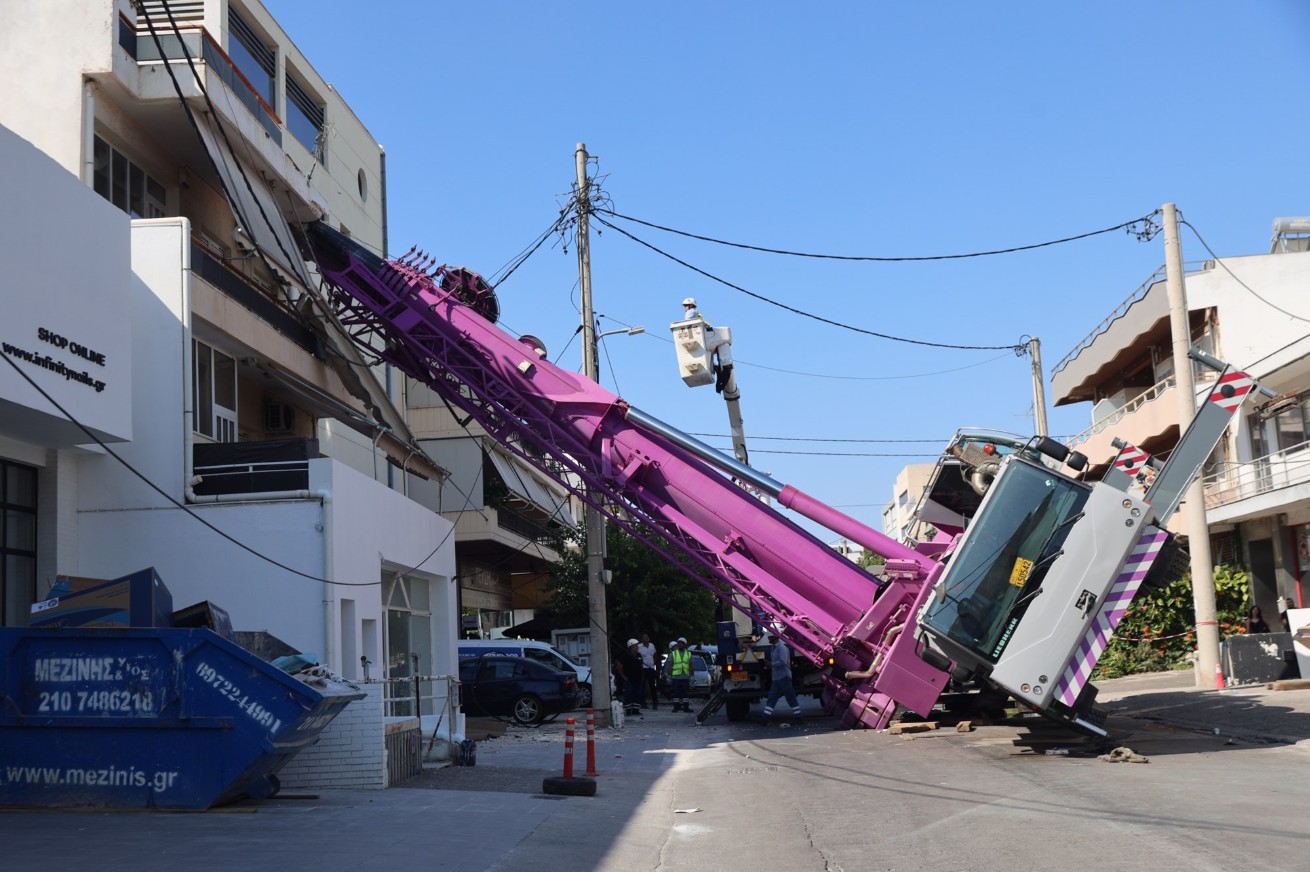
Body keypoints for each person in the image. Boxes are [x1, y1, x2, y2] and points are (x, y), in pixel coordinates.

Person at [760, 629, 802, 724]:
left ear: (774, 638)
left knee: (790, 697)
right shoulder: (773, 648)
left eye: (770, 637)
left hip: (784, 677)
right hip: (777, 678)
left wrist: (771, 664)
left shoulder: (781, 648)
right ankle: (765, 718)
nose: (768, 639)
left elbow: (782, 662)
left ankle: (798, 717)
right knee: (772, 697)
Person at [619, 639, 645, 718]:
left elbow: (641, 667)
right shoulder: (626, 655)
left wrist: (642, 676)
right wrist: (624, 677)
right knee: (629, 694)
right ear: (631, 647)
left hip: (638, 679)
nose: (637, 647)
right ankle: (628, 710)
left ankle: (636, 710)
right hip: (629, 679)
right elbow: (620, 666)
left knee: (637, 694)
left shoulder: (639, 655)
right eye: (635, 646)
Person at [668, 636, 694, 713]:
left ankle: (686, 708)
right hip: (676, 677)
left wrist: (692, 675)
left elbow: (691, 666)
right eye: (679, 643)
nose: (680, 645)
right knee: (676, 693)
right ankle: (676, 707)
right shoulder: (673, 654)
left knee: (685, 693)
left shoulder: (689, 654)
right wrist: (669, 675)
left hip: (685, 677)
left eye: (681, 644)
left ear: (685, 645)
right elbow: (670, 665)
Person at [637, 634, 659, 709]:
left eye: (647, 637)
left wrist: (654, 663)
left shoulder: (652, 645)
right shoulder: (639, 647)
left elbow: (655, 655)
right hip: (643, 669)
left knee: (652, 686)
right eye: (644, 638)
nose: (646, 639)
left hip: (651, 668)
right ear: (642, 639)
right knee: (642, 686)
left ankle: (655, 703)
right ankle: (642, 703)